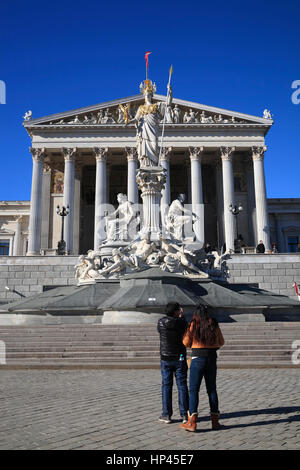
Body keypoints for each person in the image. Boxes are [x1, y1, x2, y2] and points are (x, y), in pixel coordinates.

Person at [180, 304, 225, 432]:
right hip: (211, 358)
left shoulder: (194, 323)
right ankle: (215, 422)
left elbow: (185, 342)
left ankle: (192, 422)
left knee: (194, 390)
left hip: (197, 359)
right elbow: (221, 341)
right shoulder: (213, 323)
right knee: (212, 390)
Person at [157, 302, 189, 424]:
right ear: (177, 311)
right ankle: (185, 414)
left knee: (166, 385)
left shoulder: (160, 322)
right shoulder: (181, 322)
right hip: (179, 357)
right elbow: (185, 327)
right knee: (182, 385)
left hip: (165, 357)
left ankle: (166, 414)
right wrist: (182, 316)